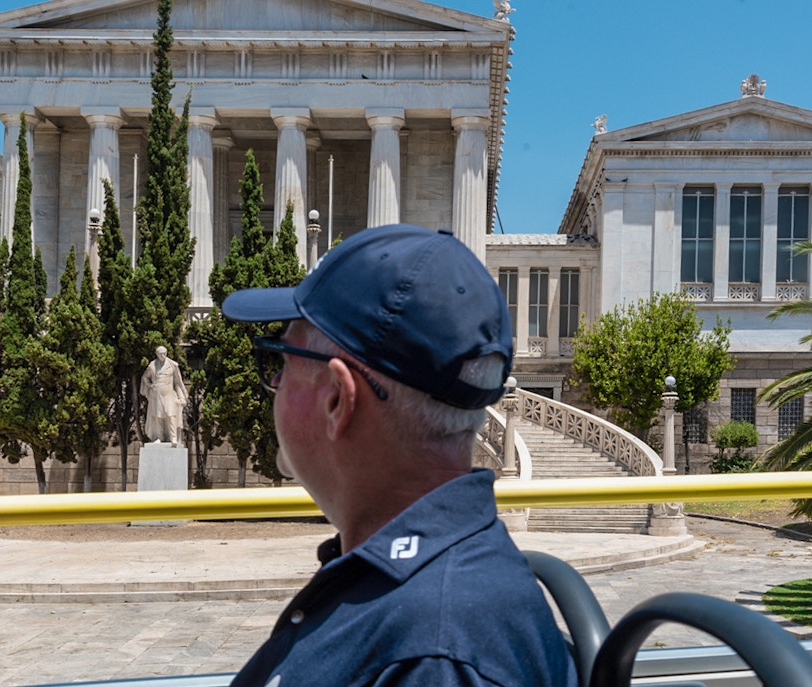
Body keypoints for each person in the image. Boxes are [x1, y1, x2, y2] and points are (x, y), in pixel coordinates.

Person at [221, 224, 577, 687]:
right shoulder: (402, 584)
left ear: (336, 400)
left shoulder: (433, 657)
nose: (274, 386)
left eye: (279, 360)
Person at [140, 345, 186, 445]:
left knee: (171, 415)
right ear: (157, 354)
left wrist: (181, 397)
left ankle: (173, 437)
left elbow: (178, 382)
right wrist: (150, 385)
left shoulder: (173, 365)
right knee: (158, 416)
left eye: (165, 353)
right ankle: (159, 437)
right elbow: (145, 377)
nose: (163, 355)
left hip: (169, 394)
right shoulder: (152, 365)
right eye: (161, 353)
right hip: (156, 394)